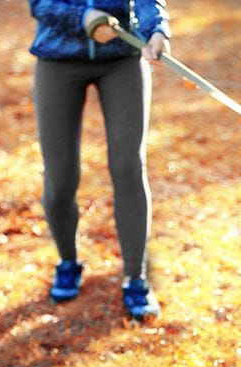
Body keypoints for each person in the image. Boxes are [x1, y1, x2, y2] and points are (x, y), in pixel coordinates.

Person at [27, 0, 171, 319]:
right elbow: (40, 4)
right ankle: (68, 262)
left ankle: (135, 277)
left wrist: (157, 29)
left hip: (121, 60)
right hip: (58, 59)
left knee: (128, 166)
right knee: (60, 174)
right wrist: (83, 17)